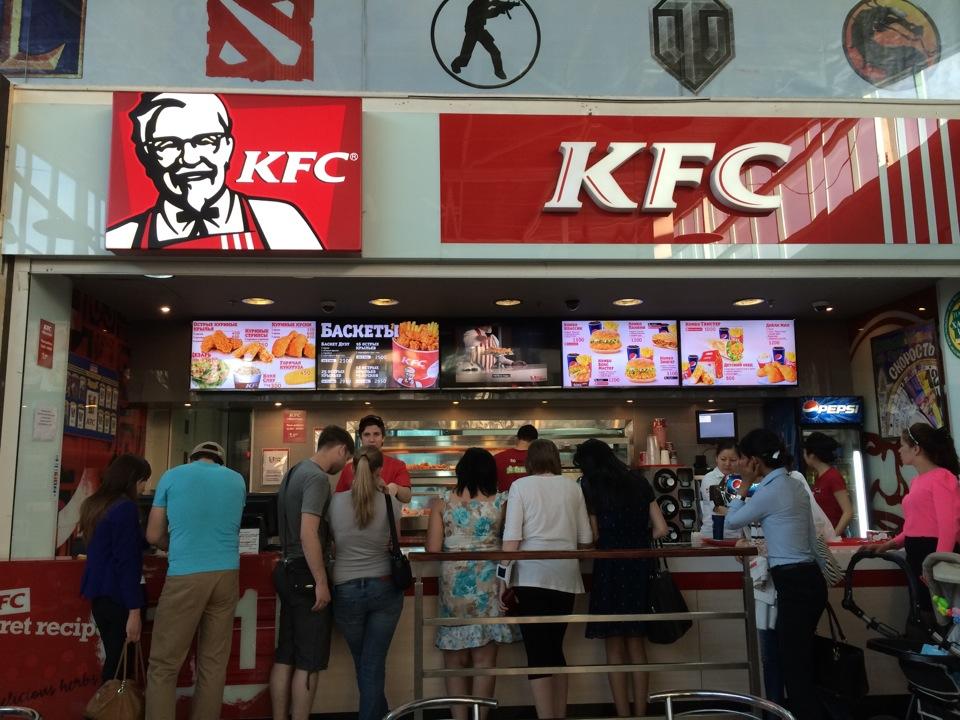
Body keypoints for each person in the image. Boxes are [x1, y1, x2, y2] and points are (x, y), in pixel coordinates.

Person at [106, 92, 323, 251]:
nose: (190, 159)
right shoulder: (124, 237)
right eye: (168, 144)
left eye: (205, 141)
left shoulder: (279, 221)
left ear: (228, 147)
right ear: (145, 156)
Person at [725, 429, 826, 720]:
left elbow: (732, 521)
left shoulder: (770, 491)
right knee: (800, 663)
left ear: (754, 461)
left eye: (743, 459)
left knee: (795, 668)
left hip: (793, 584)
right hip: (810, 579)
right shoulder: (794, 484)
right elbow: (811, 538)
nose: (739, 464)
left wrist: (744, 484)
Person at [144, 441, 247, 720]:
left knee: (164, 665)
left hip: (185, 576)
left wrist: (173, 545)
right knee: (213, 665)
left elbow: (153, 535)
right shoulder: (237, 480)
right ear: (220, 461)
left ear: (192, 458)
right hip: (226, 575)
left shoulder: (172, 476)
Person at [498, 439, 593, 720]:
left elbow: (511, 540)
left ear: (529, 461)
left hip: (531, 578)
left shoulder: (520, 486)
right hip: (566, 579)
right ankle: (559, 714)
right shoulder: (573, 488)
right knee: (554, 648)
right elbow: (586, 540)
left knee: (537, 651)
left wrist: (502, 577)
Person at [574, 439, 667, 718]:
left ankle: (623, 714)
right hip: (639, 565)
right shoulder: (638, 481)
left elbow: (593, 535)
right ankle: (641, 713)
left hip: (609, 567)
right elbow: (661, 529)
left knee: (614, 644)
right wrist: (637, 539)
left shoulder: (590, 485)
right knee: (636, 642)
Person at [270, 426, 356, 720]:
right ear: (341, 449)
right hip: (305, 574)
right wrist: (321, 581)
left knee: (285, 655)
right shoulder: (317, 478)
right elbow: (309, 532)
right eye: (346, 459)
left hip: (285, 568)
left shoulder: (294, 472)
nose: (343, 466)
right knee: (309, 660)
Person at [427, 447, 518, 720]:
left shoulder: (442, 502)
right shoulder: (502, 502)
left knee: (454, 661)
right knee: (484, 662)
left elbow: (433, 548)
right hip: (489, 584)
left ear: (460, 471)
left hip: (454, 585)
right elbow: (512, 541)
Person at [328, 447, 404, 720]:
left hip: (345, 589)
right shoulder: (390, 503)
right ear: (379, 470)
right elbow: (394, 542)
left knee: (366, 663)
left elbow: (332, 544)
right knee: (371, 664)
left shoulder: (334, 503)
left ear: (352, 468)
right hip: (384, 587)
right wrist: (383, 487)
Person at [79, 454, 152, 682]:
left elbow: (111, 544)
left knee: (115, 658)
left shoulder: (94, 505)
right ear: (132, 479)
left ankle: (109, 700)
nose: (144, 487)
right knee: (119, 665)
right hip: (120, 597)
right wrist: (134, 610)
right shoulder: (125, 508)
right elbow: (127, 562)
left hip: (100, 596)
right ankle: (109, 702)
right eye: (143, 480)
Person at [874, 424, 960, 612]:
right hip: (917, 554)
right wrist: (891, 544)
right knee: (923, 606)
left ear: (916, 449)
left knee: (941, 609)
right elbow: (916, 524)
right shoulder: (917, 481)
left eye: (902, 445)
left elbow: (948, 526)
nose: (898, 450)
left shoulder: (942, 477)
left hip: (932, 553)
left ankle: (945, 630)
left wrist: (937, 564)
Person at [336, 414, 412, 503]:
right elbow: (338, 499)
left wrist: (395, 488)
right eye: (367, 435)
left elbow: (407, 497)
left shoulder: (397, 465)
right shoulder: (349, 468)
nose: (371, 440)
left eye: (376, 434)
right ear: (361, 439)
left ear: (383, 438)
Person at [804, 432, 854, 537]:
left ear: (812, 456)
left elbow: (848, 512)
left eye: (805, 453)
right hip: (823, 539)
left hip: (833, 540)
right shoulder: (819, 477)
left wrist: (833, 537)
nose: (803, 457)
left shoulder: (833, 477)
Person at [450, 0, 513, 80]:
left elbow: (491, 6)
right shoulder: (474, 6)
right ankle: (455, 64)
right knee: (464, 59)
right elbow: (487, 13)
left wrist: (503, 6)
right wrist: (500, 8)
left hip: (480, 31)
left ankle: (498, 71)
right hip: (472, 32)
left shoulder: (483, 4)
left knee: (495, 52)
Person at [698, 440, 743, 540]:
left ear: (739, 460)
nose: (727, 463)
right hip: (711, 535)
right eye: (723, 459)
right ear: (716, 458)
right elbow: (718, 508)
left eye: (733, 460)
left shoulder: (741, 479)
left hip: (735, 536)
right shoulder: (709, 478)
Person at [494, 424, 538, 492]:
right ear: (535, 441)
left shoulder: (497, 458)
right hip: (532, 498)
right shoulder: (540, 460)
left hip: (506, 498)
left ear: (517, 439)